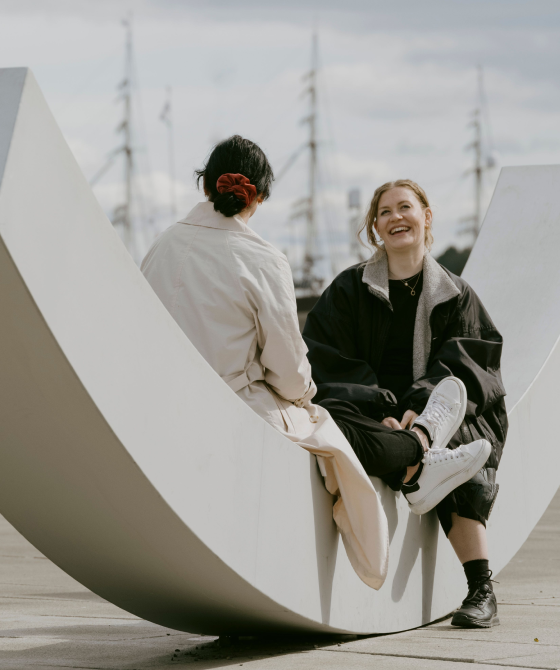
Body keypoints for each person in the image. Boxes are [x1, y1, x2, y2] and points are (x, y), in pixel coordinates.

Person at [140, 136, 477, 590]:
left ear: (206, 186)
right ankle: (419, 454)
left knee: (332, 414)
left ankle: (421, 455)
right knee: (334, 422)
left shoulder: (160, 246)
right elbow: (290, 369)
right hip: (235, 406)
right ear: (258, 197)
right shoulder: (261, 258)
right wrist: (303, 395)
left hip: (160, 407)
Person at [303, 179, 505, 629]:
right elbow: (322, 356)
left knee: (455, 444)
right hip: (372, 415)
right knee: (334, 418)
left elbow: (471, 363)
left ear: (425, 216)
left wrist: (417, 408)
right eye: (384, 212)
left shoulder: (455, 293)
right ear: (375, 228)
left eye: (405, 207)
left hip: (437, 411)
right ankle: (417, 460)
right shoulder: (350, 289)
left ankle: (481, 589)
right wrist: (381, 408)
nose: (395, 217)